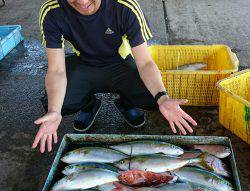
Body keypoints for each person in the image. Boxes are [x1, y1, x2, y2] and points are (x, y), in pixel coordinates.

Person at [32, 0, 197, 153]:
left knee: (154, 97)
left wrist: (163, 97)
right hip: (84, 64)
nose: (82, 1)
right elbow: (56, 70)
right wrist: (54, 110)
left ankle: (126, 102)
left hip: (120, 64)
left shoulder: (125, 6)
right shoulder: (51, 10)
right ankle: (89, 105)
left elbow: (145, 63)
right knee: (55, 102)